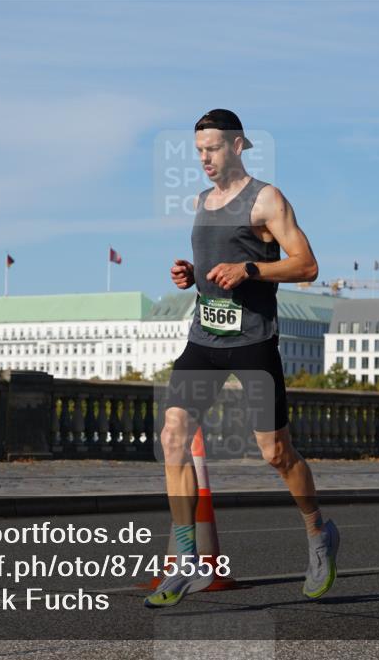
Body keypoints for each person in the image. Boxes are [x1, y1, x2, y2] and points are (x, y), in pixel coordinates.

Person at [144, 109, 338, 608]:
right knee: (172, 436)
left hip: (253, 340)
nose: (204, 159)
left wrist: (249, 268)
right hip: (204, 336)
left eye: (211, 149)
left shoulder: (266, 199)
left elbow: (307, 266)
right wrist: (192, 274)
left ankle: (318, 534)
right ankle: (187, 559)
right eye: (198, 151)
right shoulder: (202, 201)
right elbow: (215, 267)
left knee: (276, 453)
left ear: (236, 145)